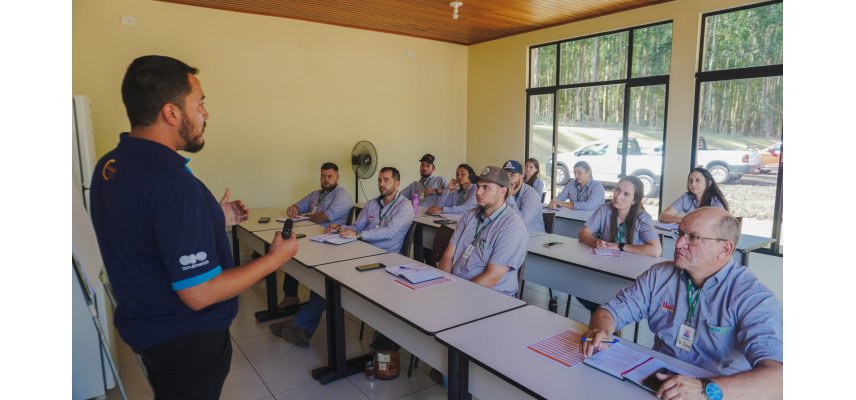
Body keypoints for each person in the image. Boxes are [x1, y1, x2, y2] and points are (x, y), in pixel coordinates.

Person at [89, 55, 299, 399]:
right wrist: (275, 258)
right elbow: (199, 293)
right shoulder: (172, 183)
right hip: (187, 342)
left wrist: (213, 216)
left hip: (146, 327)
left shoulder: (110, 165)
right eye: (199, 103)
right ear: (171, 113)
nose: (206, 113)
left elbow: (144, 229)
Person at [581, 207, 782, 400]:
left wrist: (705, 390)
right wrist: (601, 331)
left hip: (718, 391)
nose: (678, 244)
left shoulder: (752, 297)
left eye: (693, 238)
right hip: (659, 381)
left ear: (725, 248)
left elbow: (779, 380)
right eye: (679, 234)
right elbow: (609, 312)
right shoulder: (659, 275)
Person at [273, 167, 414, 347]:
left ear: (397, 183)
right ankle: (302, 326)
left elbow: (389, 232)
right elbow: (357, 226)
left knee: (333, 278)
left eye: (386, 180)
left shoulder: (405, 206)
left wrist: (360, 235)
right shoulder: (372, 204)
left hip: (384, 259)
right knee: (328, 273)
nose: (381, 184)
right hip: (362, 251)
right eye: (379, 180)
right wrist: (340, 228)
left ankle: (302, 325)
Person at [437, 166, 528, 297]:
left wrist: (456, 294)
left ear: (502, 191)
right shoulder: (469, 215)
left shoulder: (513, 226)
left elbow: (492, 277)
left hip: (490, 296)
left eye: (486, 187)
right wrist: (443, 285)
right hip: (456, 287)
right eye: (478, 186)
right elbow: (448, 255)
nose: (478, 192)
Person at [577, 175, 661, 312]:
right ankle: (604, 314)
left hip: (629, 275)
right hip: (605, 268)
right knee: (581, 288)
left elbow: (656, 250)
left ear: (635, 200)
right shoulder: (604, 209)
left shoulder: (643, 218)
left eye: (626, 194)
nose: (618, 196)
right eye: (618, 190)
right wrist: (594, 242)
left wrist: (621, 246)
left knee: (606, 301)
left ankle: (606, 315)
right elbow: (583, 233)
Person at [278, 162, 353, 308]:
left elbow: (323, 217)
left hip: (330, 240)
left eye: (329, 176)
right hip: (312, 234)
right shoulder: (316, 194)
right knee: (291, 253)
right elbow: (299, 205)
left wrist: (303, 217)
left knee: (297, 252)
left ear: (338, 177)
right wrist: (294, 208)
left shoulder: (342, 195)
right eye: (323, 176)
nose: (325, 179)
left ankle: (313, 305)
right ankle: (290, 296)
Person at [659, 167, 729, 224]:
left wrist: (688, 220)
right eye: (690, 180)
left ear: (709, 183)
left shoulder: (716, 204)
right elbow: (663, 216)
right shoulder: (686, 198)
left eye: (697, 180)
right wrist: (683, 220)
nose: (692, 184)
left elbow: (715, 226)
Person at [504, 160, 546, 233]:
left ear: (521, 176)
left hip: (534, 235)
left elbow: (520, 222)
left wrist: (509, 197)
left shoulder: (532, 195)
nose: (508, 179)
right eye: (505, 175)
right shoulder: (503, 190)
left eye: (512, 175)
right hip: (513, 233)